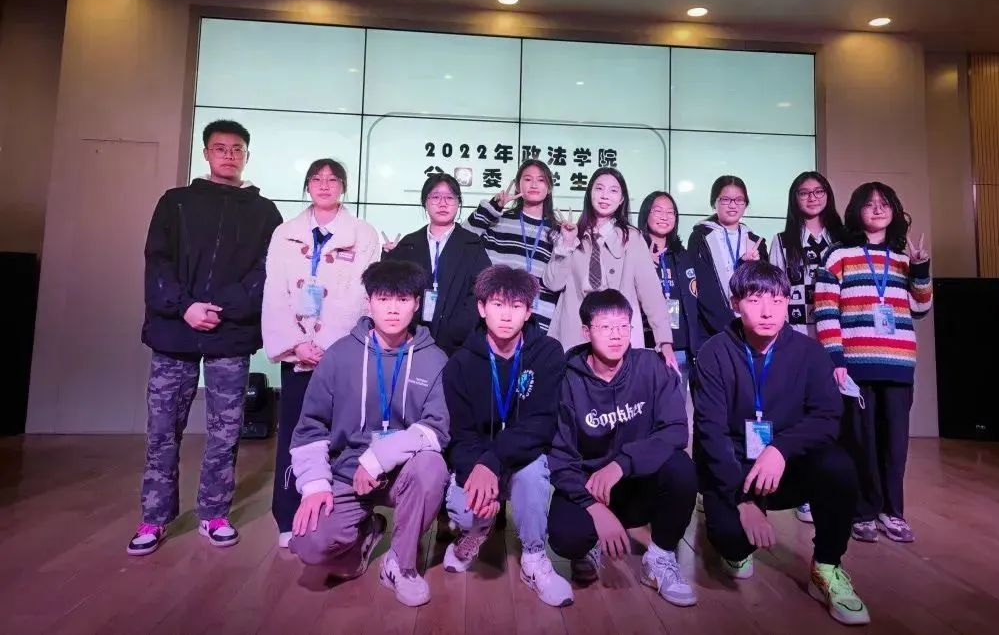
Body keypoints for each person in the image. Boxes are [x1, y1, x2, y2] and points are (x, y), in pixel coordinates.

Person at [128, 119, 282, 556]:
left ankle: (214, 513)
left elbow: (267, 271)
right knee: (162, 430)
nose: (229, 156)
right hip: (174, 331)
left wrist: (223, 308)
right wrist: (186, 307)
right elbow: (157, 261)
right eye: (220, 148)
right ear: (206, 153)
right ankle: (154, 518)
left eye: (237, 149)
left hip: (229, 334)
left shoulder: (264, 212)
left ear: (247, 155)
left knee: (225, 430)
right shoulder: (175, 202)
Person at [693, 261, 869, 626]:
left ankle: (826, 566)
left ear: (787, 302)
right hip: (736, 469)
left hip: (786, 468)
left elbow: (827, 417)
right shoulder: (713, 353)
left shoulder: (810, 352)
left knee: (838, 466)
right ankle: (730, 536)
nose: (767, 311)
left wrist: (780, 448)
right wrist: (742, 500)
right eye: (755, 299)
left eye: (776, 300)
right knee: (734, 544)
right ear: (735, 303)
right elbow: (711, 434)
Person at [288, 260, 450, 608]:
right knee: (310, 543)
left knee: (433, 466)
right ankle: (366, 531)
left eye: (402, 299)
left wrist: (378, 458)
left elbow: (436, 430)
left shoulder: (435, 360)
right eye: (383, 298)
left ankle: (400, 565)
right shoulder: (339, 355)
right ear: (368, 302)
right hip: (346, 473)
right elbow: (311, 426)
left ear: (417, 304)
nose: (392, 309)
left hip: (403, 474)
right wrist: (315, 485)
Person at [547, 289, 697, 608]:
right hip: (591, 487)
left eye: (623, 326)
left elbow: (675, 430)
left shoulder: (651, 366)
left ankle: (659, 558)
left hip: (639, 483)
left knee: (682, 469)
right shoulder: (566, 380)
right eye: (605, 327)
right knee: (565, 536)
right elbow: (559, 458)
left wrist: (622, 464)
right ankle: (588, 546)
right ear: (586, 331)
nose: (616, 335)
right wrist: (593, 507)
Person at [262, 158, 381, 548]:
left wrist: (330, 347)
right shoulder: (285, 233)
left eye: (332, 179)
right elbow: (274, 293)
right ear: (307, 186)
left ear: (343, 186)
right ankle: (288, 513)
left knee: (342, 434)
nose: (325, 185)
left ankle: (340, 512)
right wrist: (297, 344)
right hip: (298, 353)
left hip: (341, 355)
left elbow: (363, 298)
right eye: (317, 179)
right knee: (295, 432)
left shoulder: (363, 234)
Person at [442, 265, 573, 607]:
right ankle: (477, 529)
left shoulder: (547, 353)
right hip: (477, 459)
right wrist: (479, 468)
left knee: (533, 474)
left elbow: (542, 423)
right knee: (465, 510)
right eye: (497, 304)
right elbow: (460, 434)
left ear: (529, 311)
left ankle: (534, 557)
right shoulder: (460, 363)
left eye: (516, 306)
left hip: (519, 459)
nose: (506, 315)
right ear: (481, 307)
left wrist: (494, 460)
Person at [815, 182, 932, 545]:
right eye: (870, 204)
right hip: (856, 365)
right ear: (857, 211)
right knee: (860, 441)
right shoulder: (839, 255)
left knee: (895, 445)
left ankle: (892, 512)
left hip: (898, 364)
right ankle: (863, 511)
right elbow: (825, 311)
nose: (878, 210)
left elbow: (921, 308)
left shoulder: (903, 258)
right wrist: (835, 359)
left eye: (885, 204)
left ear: (894, 211)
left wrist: (921, 269)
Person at [543, 167, 678, 371]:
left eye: (613, 190)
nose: (605, 196)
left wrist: (664, 342)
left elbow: (651, 294)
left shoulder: (632, 238)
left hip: (618, 338)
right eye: (599, 189)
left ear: (622, 199)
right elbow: (553, 283)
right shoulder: (572, 234)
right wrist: (567, 244)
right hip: (576, 336)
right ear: (589, 194)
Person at [768, 171, 845, 524]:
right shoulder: (782, 241)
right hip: (798, 336)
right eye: (804, 192)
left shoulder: (843, 240)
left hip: (837, 337)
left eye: (818, 191)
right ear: (794, 198)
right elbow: (776, 291)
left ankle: (834, 487)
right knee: (799, 412)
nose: (812, 197)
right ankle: (802, 490)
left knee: (835, 412)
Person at [386, 173, 491, 353]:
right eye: (435, 197)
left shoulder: (472, 244)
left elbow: (483, 290)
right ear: (425, 202)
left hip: (458, 343)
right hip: (410, 339)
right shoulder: (409, 243)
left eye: (450, 197)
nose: (443, 203)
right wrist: (387, 258)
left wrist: (458, 328)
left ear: (458, 203)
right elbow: (393, 289)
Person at [464, 159, 561, 332]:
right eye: (528, 179)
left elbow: (558, 279)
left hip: (539, 318)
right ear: (517, 185)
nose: (534, 184)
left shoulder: (557, 231)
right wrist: (493, 207)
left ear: (549, 188)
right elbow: (463, 238)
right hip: (497, 314)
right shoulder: (498, 221)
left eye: (541, 180)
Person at [687, 175, 769, 346]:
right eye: (725, 199)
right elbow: (703, 288)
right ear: (714, 203)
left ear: (745, 204)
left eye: (739, 200)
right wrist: (731, 328)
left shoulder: (756, 242)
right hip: (713, 330)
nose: (733, 205)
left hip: (752, 328)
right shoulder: (700, 237)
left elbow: (764, 288)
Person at [637, 190, 699, 380]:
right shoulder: (636, 254)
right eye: (657, 211)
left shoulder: (683, 255)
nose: (664, 217)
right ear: (645, 214)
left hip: (682, 347)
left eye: (670, 212)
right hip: (648, 346)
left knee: (678, 398)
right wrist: (645, 263)